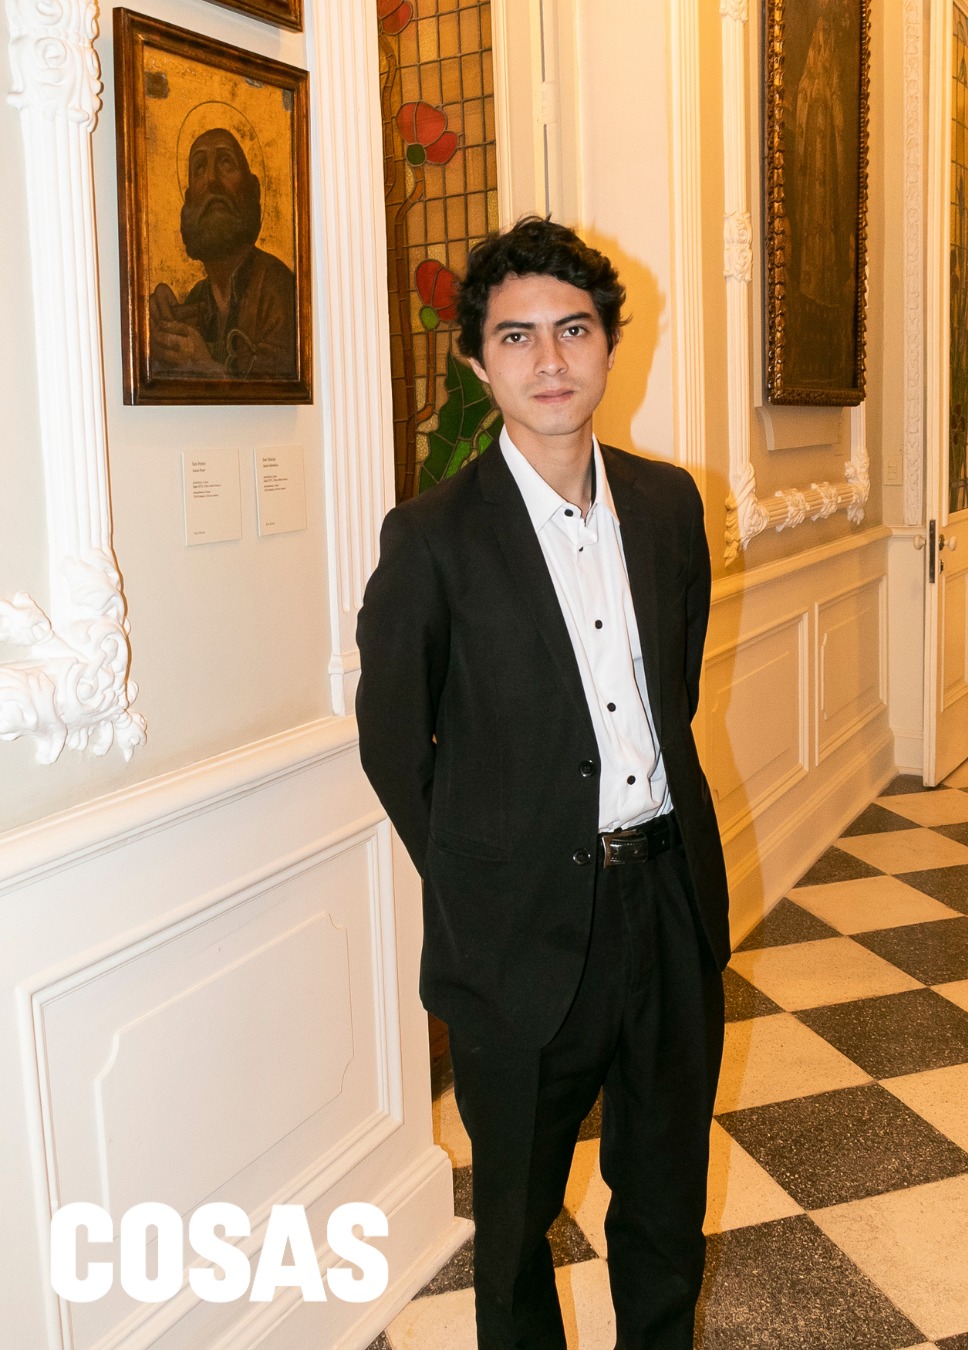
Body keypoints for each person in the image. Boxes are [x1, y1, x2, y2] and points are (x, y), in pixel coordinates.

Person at [356, 216, 729, 1349]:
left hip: (667, 901)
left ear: (611, 344)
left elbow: (673, 690)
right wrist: (483, 878)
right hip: (515, 932)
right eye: (516, 337)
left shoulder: (669, 506)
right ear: (480, 364)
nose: (550, 360)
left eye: (573, 330)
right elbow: (393, 743)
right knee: (516, 1228)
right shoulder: (431, 538)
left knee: (664, 1202)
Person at [149, 127, 296, 379]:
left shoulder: (277, 288)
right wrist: (159, 323)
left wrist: (203, 365)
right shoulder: (199, 298)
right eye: (199, 168)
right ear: (189, 203)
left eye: (226, 162)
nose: (212, 181)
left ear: (253, 189)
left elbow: (274, 394)